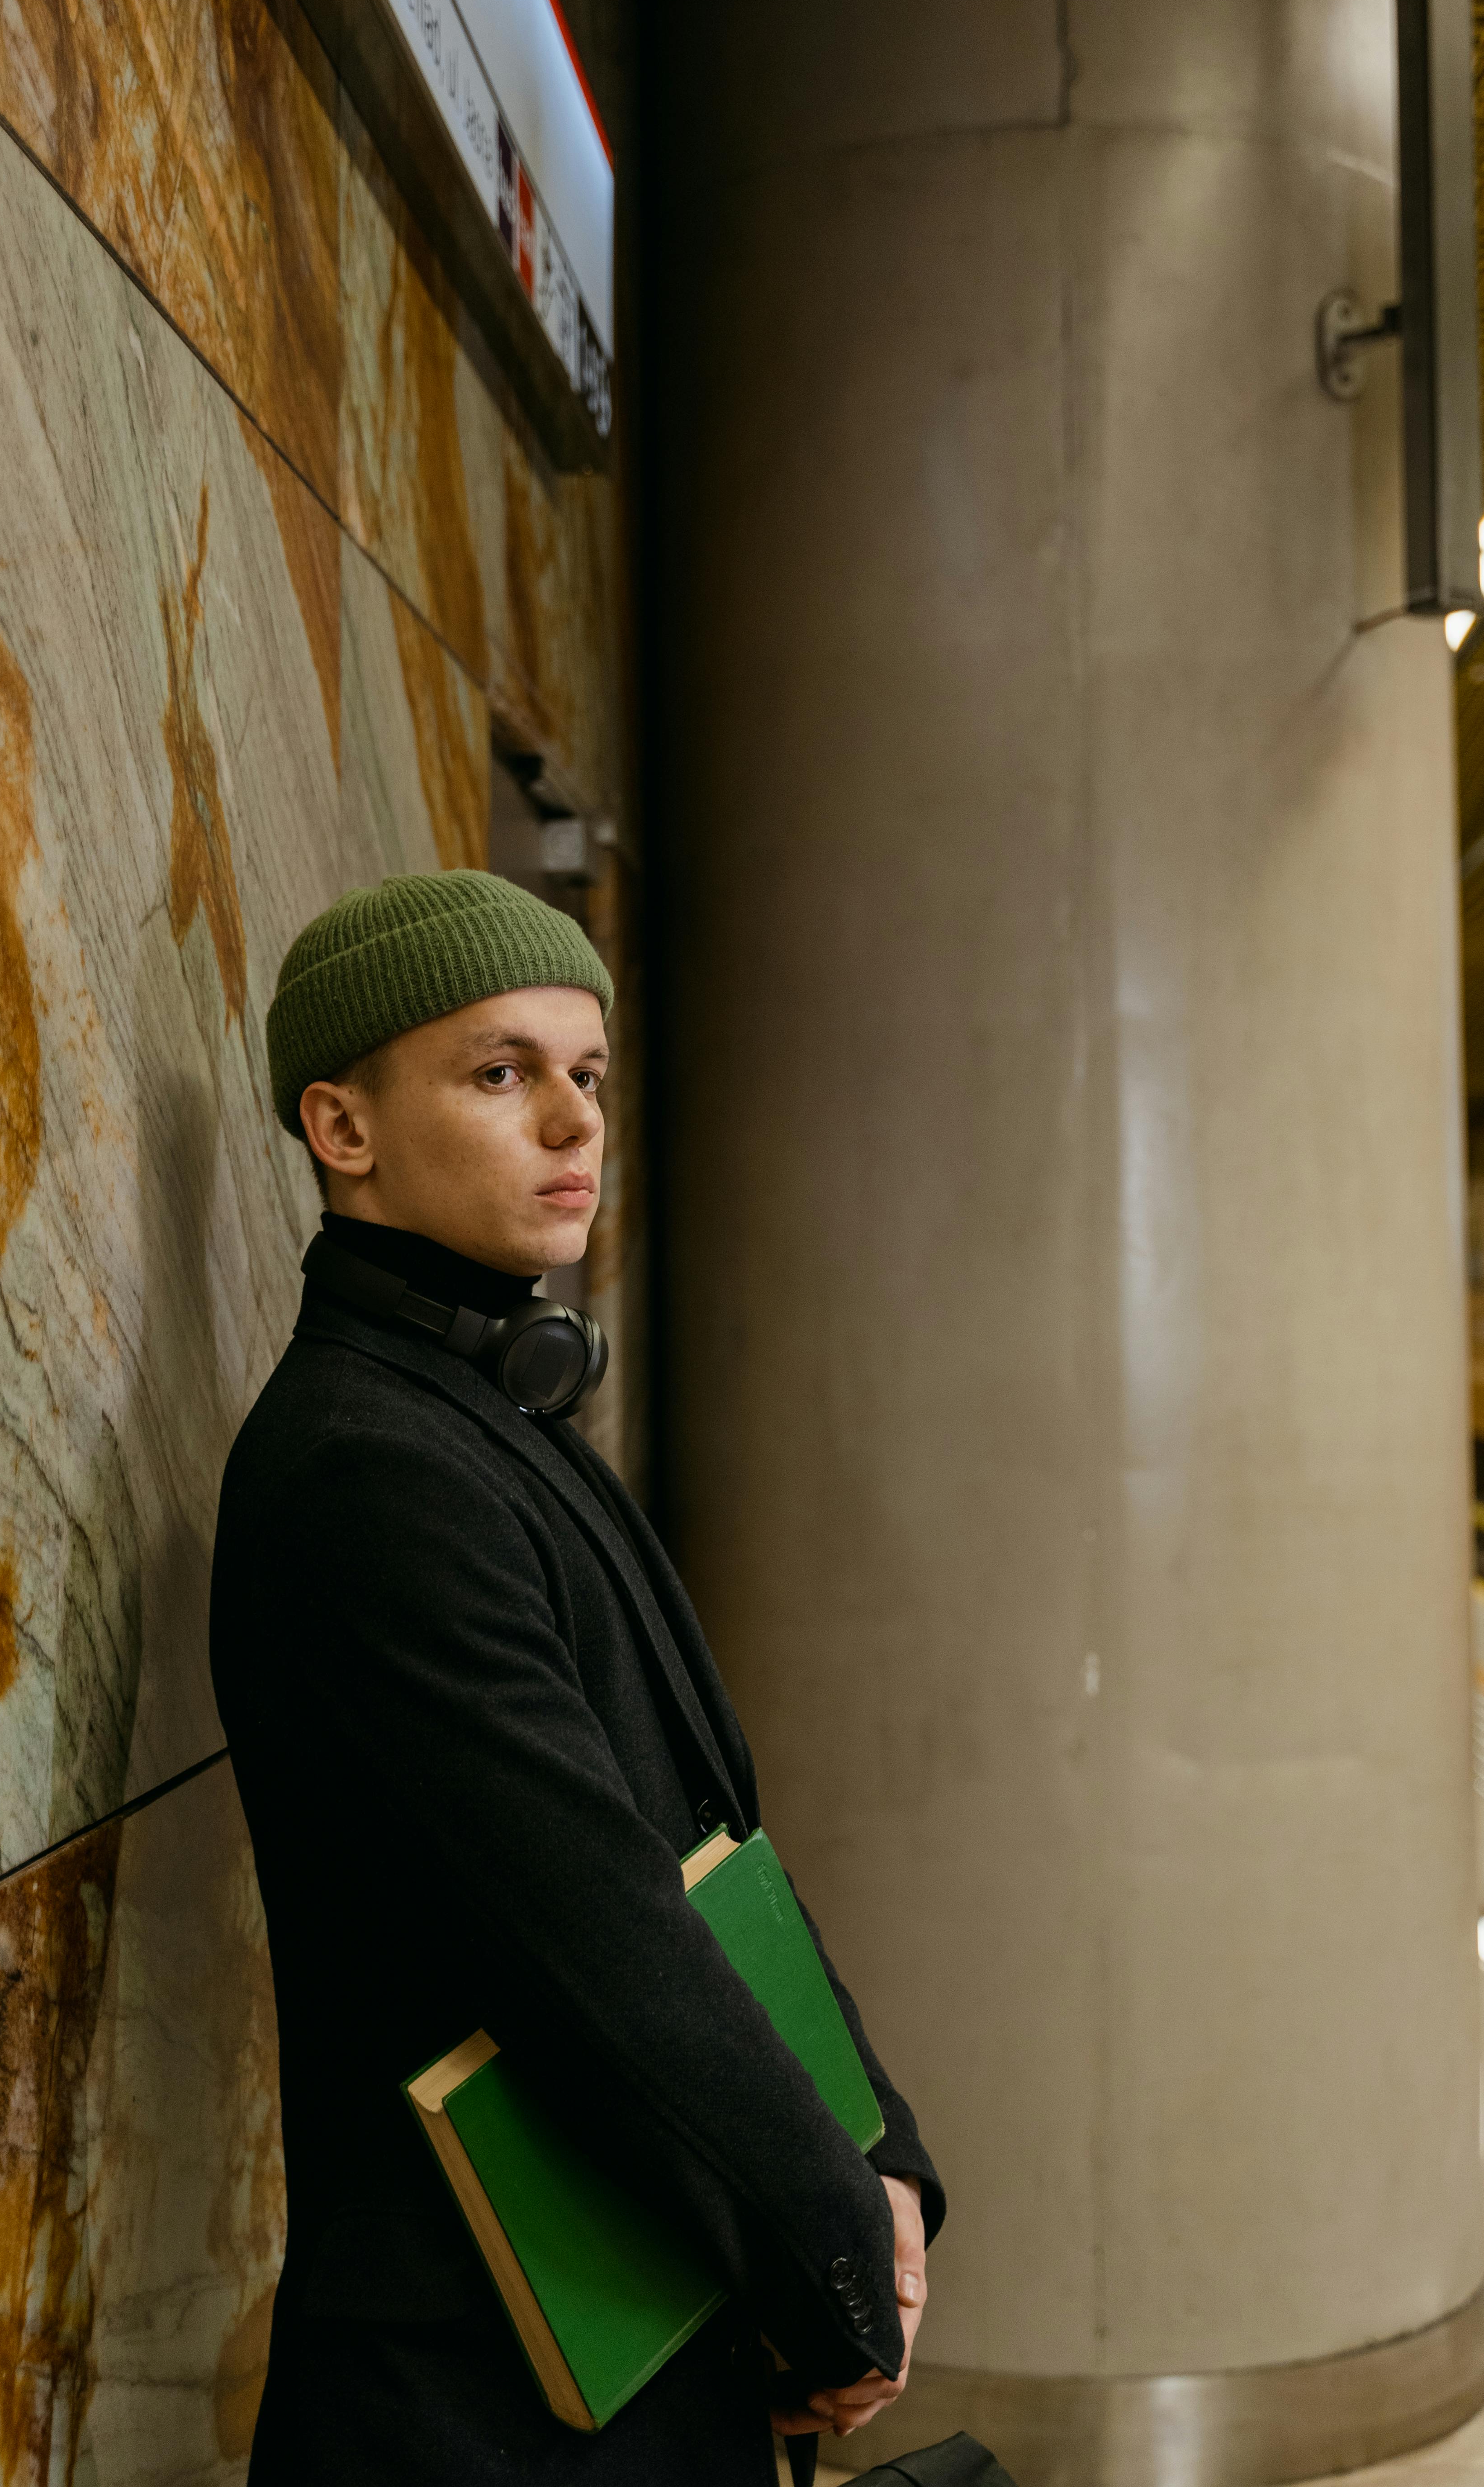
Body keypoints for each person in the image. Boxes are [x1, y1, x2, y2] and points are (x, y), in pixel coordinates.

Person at [211, 870, 943, 2485]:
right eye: (500, 1072)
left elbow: (712, 1851)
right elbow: (600, 1933)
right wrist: (832, 2266)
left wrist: (876, 2155)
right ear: (344, 1128)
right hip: (481, 2386)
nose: (571, 1121)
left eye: (587, 1074)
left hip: (626, 2307)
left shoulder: (495, 1416)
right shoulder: (367, 1472)